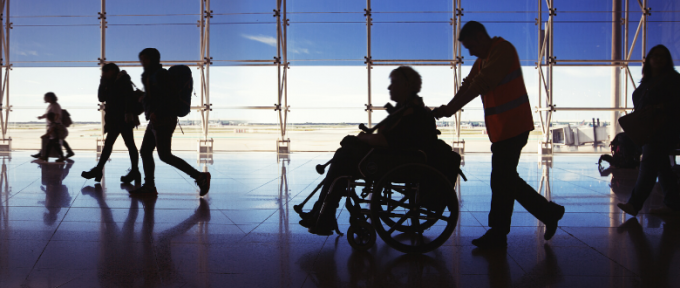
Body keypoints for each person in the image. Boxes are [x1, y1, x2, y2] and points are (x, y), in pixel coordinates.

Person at [432, 21, 565, 248]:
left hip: (514, 126)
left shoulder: (503, 50)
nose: (470, 52)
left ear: (481, 37)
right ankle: (549, 212)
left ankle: (499, 231)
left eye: (471, 46)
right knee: (507, 179)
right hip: (504, 129)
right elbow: (469, 84)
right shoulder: (485, 59)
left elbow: (480, 84)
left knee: (501, 180)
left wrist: (449, 109)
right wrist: (446, 108)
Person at [300, 66, 439, 235]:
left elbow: (386, 141)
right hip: (398, 158)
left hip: (395, 161)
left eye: (394, 83)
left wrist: (361, 138)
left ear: (407, 85)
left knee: (342, 161)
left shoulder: (412, 113)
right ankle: (321, 212)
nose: (389, 87)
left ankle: (323, 214)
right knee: (342, 157)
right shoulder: (409, 110)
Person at [130, 48, 211, 196]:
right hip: (156, 119)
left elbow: (170, 98)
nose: (142, 62)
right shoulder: (151, 75)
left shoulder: (160, 75)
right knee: (146, 151)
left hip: (163, 119)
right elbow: (156, 98)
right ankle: (149, 186)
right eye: (141, 59)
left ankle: (200, 176)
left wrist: (155, 110)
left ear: (153, 59)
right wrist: (143, 99)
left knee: (164, 155)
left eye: (145, 59)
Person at [617, 45, 680, 216]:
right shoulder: (650, 81)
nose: (658, 59)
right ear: (649, 59)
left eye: (662, 56)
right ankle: (673, 204)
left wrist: (660, 108)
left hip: (662, 130)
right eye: (655, 56)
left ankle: (634, 204)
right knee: (662, 167)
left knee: (649, 164)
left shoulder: (672, 80)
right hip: (652, 129)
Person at [82, 63, 141, 184]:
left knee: (124, 144)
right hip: (115, 118)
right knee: (120, 144)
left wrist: (128, 113)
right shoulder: (108, 82)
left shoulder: (123, 80)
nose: (103, 74)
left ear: (113, 71)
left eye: (105, 72)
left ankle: (100, 170)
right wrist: (102, 82)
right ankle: (134, 171)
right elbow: (101, 97)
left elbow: (128, 97)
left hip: (123, 118)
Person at [32, 92, 74, 161]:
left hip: (55, 127)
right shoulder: (51, 105)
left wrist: (53, 123)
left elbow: (57, 114)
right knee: (55, 141)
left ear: (50, 97)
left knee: (52, 142)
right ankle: (43, 154)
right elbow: (48, 114)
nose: (44, 99)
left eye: (45, 97)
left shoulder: (55, 105)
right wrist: (41, 117)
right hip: (53, 126)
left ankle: (44, 155)